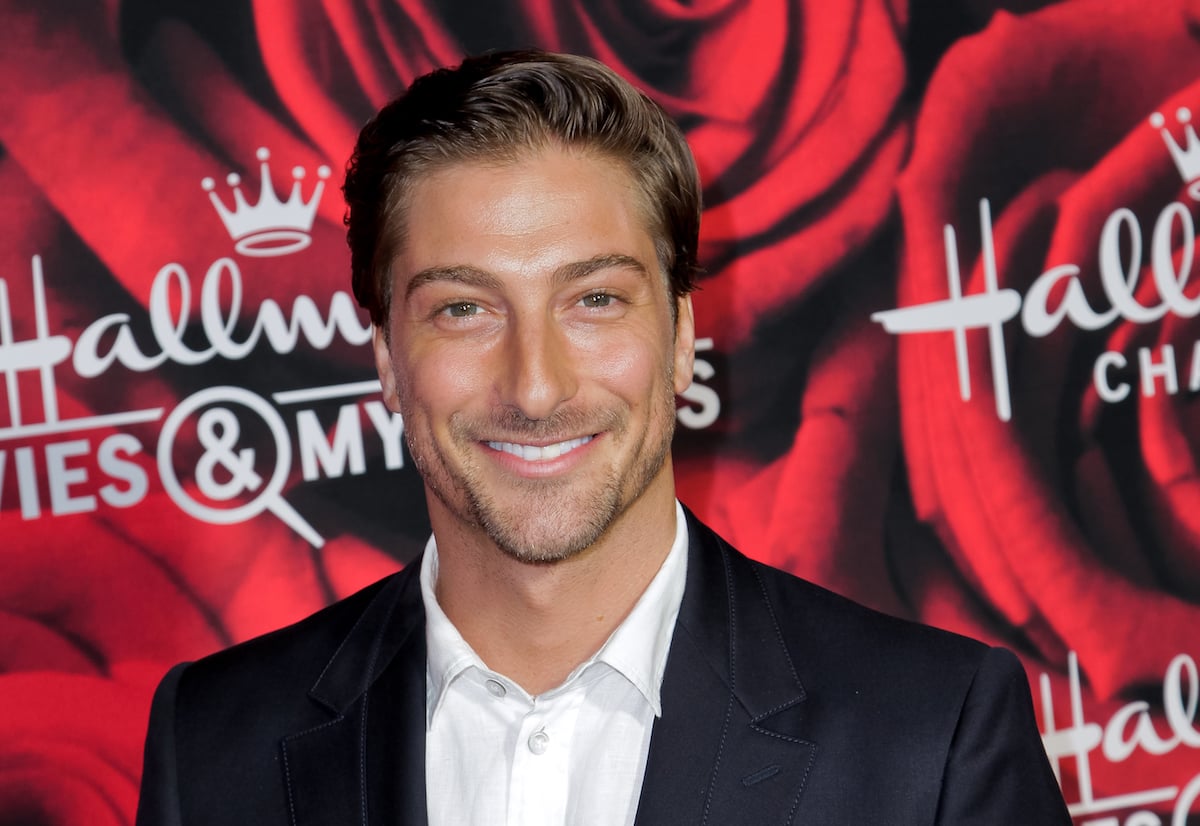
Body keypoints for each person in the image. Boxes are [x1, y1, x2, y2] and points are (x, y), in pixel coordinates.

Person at [135, 50, 1073, 825]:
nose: (535, 387)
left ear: (681, 339)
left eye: (594, 301)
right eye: (463, 308)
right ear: (386, 354)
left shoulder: (931, 739)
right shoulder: (213, 744)